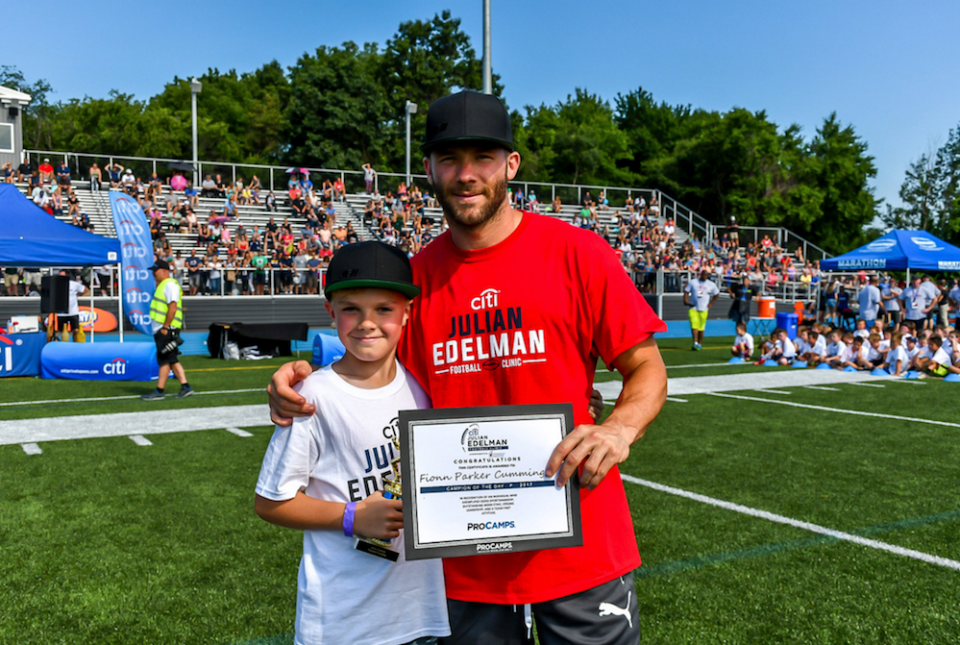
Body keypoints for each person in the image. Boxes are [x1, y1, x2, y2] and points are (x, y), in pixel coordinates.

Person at [267, 90, 668, 644]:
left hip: (582, 541)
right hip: (461, 558)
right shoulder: (414, 281)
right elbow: (373, 375)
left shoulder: (578, 253)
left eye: (482, 157)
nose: (465, 174)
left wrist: (619, 428)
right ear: (428, 168)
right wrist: (299, 381)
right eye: (450, 159)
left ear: (511, 164)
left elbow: (646, 366)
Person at [255, 241, 449, 645]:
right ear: (331, 312)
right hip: (343, 624)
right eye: (351, 309)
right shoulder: (313, 397)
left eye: (384, 309)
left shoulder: (423, 389)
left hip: (422, 615)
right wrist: (351, 517)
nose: (367, 323)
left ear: (407, 313)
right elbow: (271, 502)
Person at [141, 260, 193, 400]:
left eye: (155, 270)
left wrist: (165, 327)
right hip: (166, 328)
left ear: (164, 271)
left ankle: (160, 390)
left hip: (166, 329)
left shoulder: (169, 285)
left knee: (165, 359)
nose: (153, 273)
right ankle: (185, 386)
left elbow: (173, 307)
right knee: (171, 359)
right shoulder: (165, 285)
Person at [684, 269, 719, 350]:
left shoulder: (711, 284)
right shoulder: (693, 282)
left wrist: (711, 304)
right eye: (703, 275)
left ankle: (699, 343)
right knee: (694, 325)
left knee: (701, 328)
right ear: (700, 275)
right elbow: (686, 291)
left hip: (704, 309)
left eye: (706, 275)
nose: (704, 276)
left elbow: (716, 294)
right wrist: (685, 299)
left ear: (707, 276)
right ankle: (695, 342)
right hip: (693, 307)